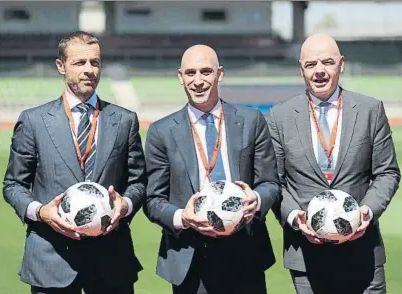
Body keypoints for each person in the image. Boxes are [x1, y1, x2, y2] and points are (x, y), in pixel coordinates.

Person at [3, 31, 146, 294]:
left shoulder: (125, 120)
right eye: (80, 63)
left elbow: (138, 182)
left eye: (95, 62)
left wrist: (124, 205)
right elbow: (13, 185)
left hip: (111, 260)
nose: (89, 70)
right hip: (51, 259)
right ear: (61, 66)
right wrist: (40, 211)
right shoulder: (34, 121)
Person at [267, 33, 401, 294]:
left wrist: (367, 212)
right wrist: (296, 219)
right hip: (306, 257)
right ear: (301, 69)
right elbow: (274, 182)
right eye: (311, 64)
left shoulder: (370, 110)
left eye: (327, 62)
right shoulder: (279, 117)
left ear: (341, 64)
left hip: (364, 255)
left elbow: (387, 172)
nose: (319, 71)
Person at [143, 44, 280, 294]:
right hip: (189, 255)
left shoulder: (252, 122)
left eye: (206, 72)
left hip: (245, 253)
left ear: (220, 74)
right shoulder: (161, 132)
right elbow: (152, 200)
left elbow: (271, 184)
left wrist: (256, 200)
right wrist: (182, 217)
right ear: (180, 77)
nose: (198, 81)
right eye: (190, 73)